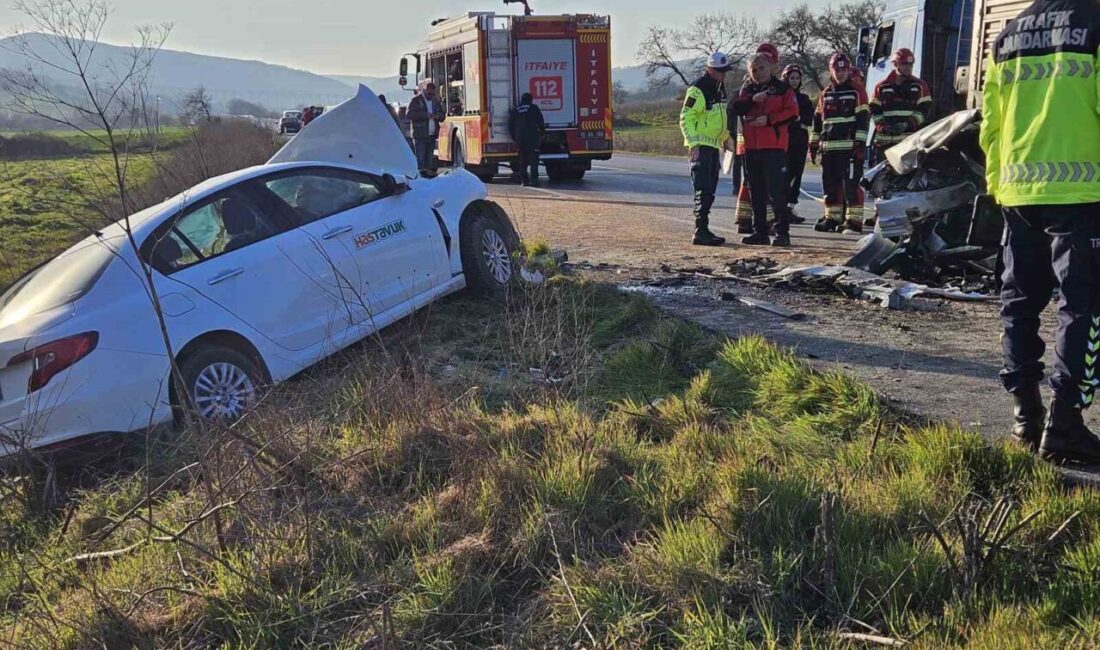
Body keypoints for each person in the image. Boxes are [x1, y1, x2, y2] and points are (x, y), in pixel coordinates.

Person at [980, 0, 1100, 464]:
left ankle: (1025, 415)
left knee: (1020, 302)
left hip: (1017, 189)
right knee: (1084, 306)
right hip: (1082, 192)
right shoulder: (1093, 22)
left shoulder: (1009, 33)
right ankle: (1066, 424)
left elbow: (990, 123)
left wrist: (998, 185)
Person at [730, 50, 799, 247]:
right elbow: (736, 108)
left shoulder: (782, 89)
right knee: (756, 191)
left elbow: (793, 113)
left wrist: (769, 120)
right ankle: (760, 231)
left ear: (771, 68)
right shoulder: (748, 89)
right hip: (752, 148)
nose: (758, 72)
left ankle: (782, 233)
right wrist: (752, 99)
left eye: (761, 68)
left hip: (774, 147)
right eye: (754, 69)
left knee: (776, 193)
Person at [811, 53, 869, 234]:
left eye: (844, 70)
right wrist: (813, 144)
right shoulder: (826, 92)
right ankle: (832, 218)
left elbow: (863, 119)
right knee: (830, 185)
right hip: (828, 150)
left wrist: (859, 144)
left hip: (849, 149)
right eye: (837, 69)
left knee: (851, 185)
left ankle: (853, 222)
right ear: (831, 70)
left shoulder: (856, 91)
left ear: (849, 71)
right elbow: (818, 121)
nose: (841, 73)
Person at [680, 51, 732, 246]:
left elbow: (718, 119)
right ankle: (700, 230)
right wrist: (692, 142)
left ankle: (704, 228)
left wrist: (725, 137)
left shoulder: (720, 88)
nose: (723, 75)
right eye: (720, 71)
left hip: (713, 145)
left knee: (710, 188)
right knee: (702, 189)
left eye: (724, 71)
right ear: (709, 69)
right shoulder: (698, 88)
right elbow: (686, 118)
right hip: (701, 145)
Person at [869, 48, 932, 167]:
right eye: (904, 64)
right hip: (884, 143)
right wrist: (883, 126)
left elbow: (924, 111)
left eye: (910, 64)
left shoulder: (920, 86)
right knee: (883, 179)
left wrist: (908, 124)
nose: (908, 67)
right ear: (895, 64)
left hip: (908, 143)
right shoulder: (881, 87)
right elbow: (874, 110)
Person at [782, 64, 814, 221]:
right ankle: (780, 208)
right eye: (791, 78)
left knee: (796, 175)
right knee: (783, 175)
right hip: (783, 142)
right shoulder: (781, 97)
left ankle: (790, 208)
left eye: (797, 78)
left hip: (799, 143)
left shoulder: (804, 99)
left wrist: (796, 120)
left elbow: (808, 120)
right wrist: (795, 120)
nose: (794, 81)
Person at [407, 80, 446, 172]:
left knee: (429, 160)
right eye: (429, 94)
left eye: (432, 94)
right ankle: (420, 179)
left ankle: (428, 179)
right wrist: (425, 115)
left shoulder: (435, 102)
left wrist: (437, 116)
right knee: (420, 159)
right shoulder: (416, 100)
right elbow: (409, 114)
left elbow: (442, 115)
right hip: (420, 135)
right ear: (425, 90)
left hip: (431, 136)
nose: (431, 96)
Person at [509, 92, 546, 186]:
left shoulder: (515, 110)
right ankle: (534, 180)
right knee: (534, 160)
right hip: (532, 138)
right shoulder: (534, 108)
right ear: (531, 100)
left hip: (520, 138)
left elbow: (510, 126)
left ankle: (524, 181)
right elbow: (540, 121)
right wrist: (542, 133)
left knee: (522, 160)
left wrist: (515, 138)